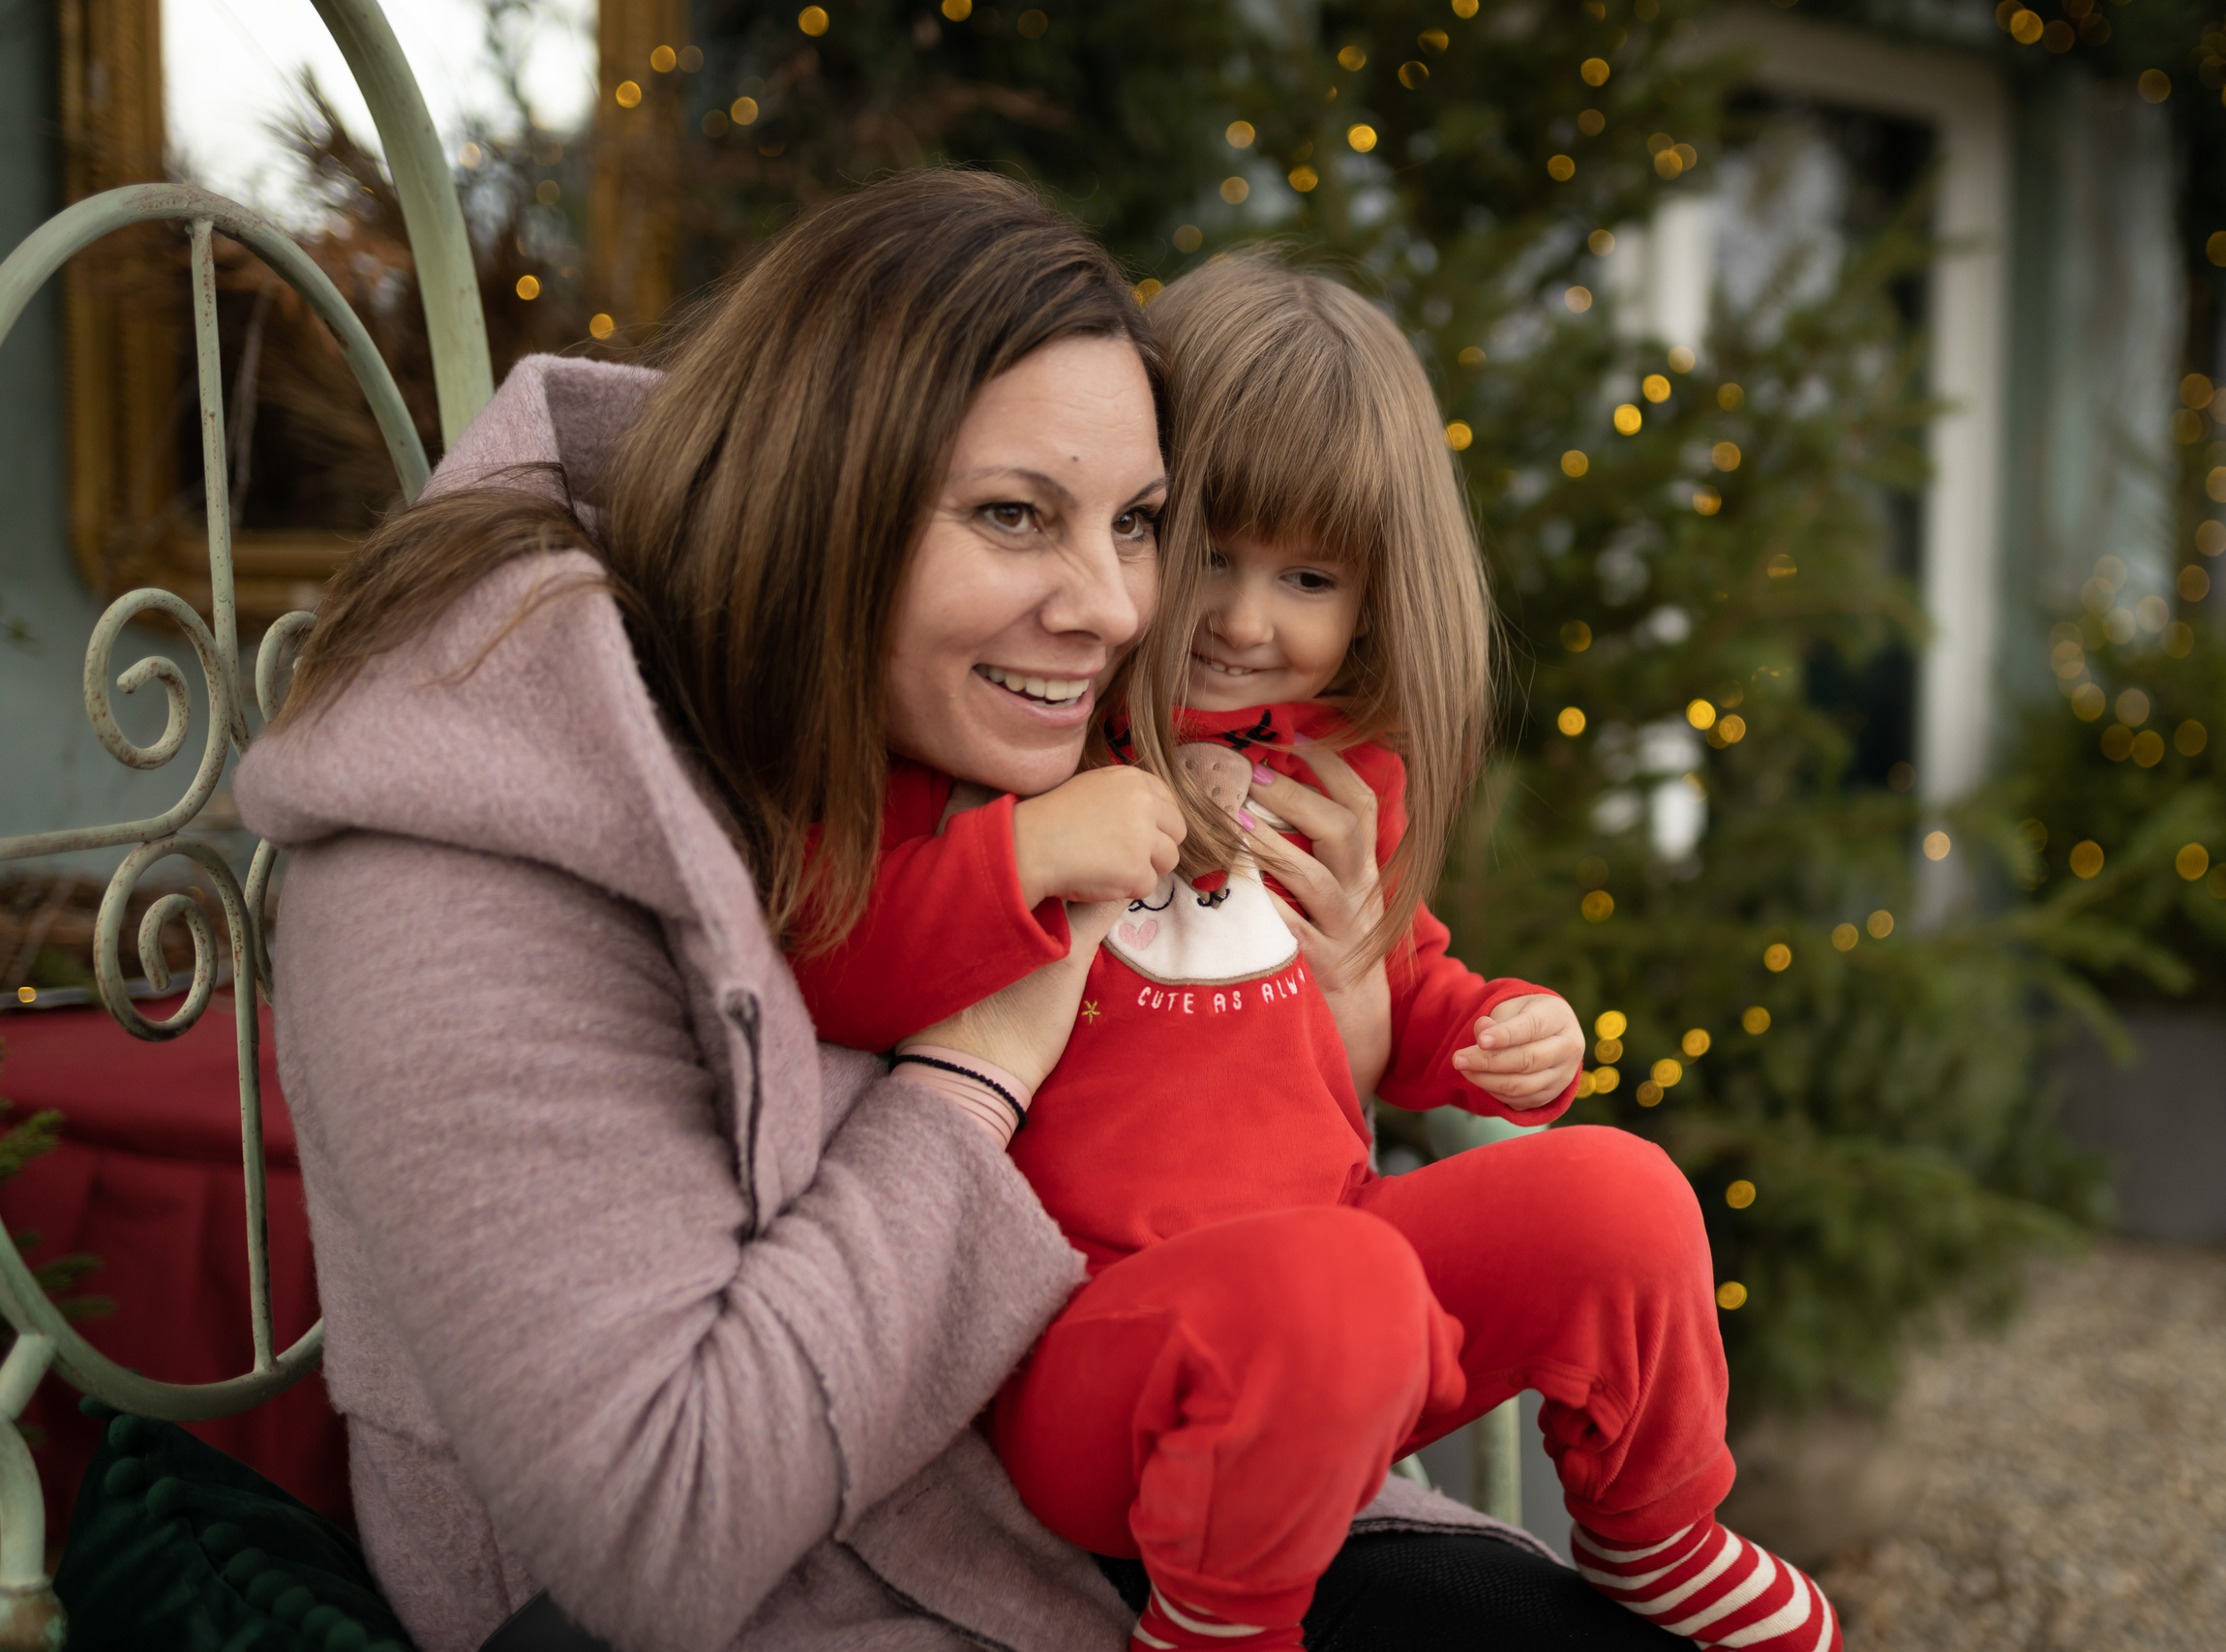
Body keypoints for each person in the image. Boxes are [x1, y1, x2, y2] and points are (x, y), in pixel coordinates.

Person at [236, 169, 1687, 1652]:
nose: (1126, 613)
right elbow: (663, 1540)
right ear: (820, 501)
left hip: (1149, 1501)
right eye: (1014, 514)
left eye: (1138, 524)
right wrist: (975, 1068)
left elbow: (1230, 1171)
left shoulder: (971, 722)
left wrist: (1364, 1007)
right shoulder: (470, 854)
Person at [786, 252, 1841, 1652]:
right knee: (1333, 1293)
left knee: (1624, 1197)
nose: (1242, 617)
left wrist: (1499, 1029)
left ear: (1373, 595)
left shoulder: (1343, 774)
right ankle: (1222, 1625)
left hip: (1352, 1314)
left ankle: (1654, 1533)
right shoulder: (1024, 742)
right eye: (1208, 550)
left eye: (1307, 576)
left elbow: (1398, 990)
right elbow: (833, 955)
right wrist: (1037, 851)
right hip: (1102, 1351)